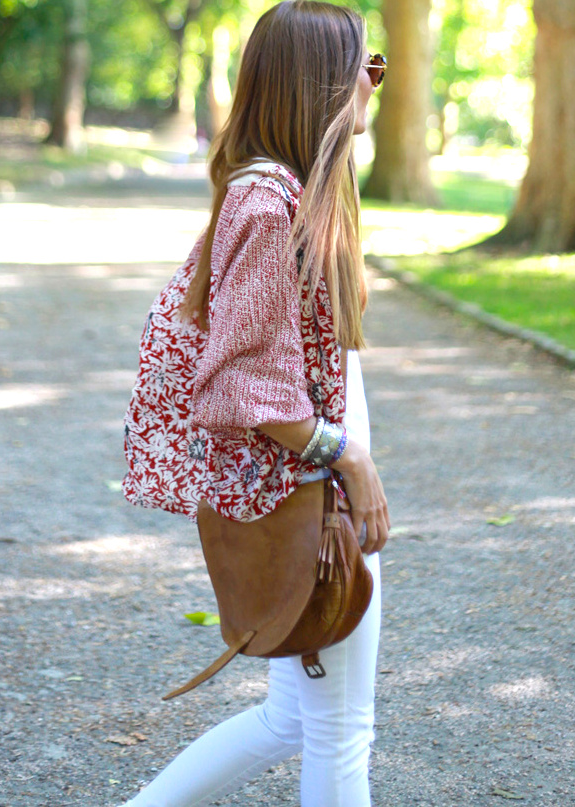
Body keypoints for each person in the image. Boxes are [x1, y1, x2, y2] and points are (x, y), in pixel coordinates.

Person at [119, 2, 390, 805]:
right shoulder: (266, 206)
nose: (375, 87)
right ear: (325, 87)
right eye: (368, 70)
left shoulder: (290, 197)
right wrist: (351, 458)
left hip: (309, 496)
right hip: (307, 496)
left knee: (293, 720)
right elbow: (243, 384)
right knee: (342, 733)